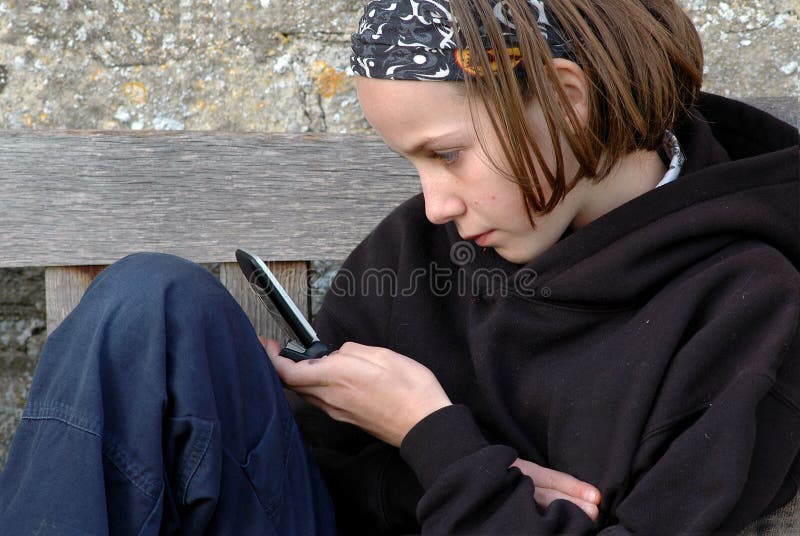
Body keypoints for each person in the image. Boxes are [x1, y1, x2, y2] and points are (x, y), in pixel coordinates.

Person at [1, 0, 798, 534]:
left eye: (446, 154)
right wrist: (454, 457)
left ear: (567, 97)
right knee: (151, 304)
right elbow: (319, 467)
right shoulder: (430, 248)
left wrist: (431, 434)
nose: (433, 205)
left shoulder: (748, 310)